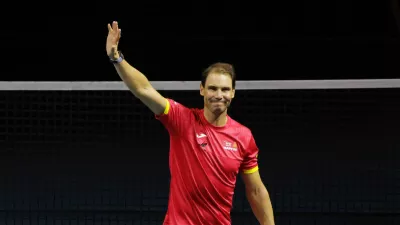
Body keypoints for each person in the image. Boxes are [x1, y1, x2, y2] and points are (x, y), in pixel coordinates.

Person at [106, 21, 275, 225]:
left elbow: (256, 190)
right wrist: (117, 58)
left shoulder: (244, 137)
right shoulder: (182, 120)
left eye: (224, 90)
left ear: (233, 93)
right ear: (202, 89)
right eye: (212, 88)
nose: (218, 95)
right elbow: (144, 89)